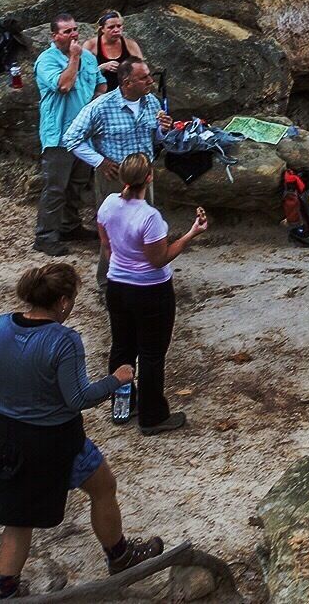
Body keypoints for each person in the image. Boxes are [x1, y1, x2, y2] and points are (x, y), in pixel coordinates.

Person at [0, 262, 164, 598]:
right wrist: (116, 379)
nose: (71, 306)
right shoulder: (64, 340)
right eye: (71, 299)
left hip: (8, 436)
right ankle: (120, 556)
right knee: (104, 487)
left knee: (17, 518)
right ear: (61, 301)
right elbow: (77, 399)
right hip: (59, 440)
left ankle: (8, 589)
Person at [98, 153, 207, 435]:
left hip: (117, 286)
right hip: (151, 291)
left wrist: (122, 267)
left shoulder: (108, 205)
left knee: (122, 346)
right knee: (151, 353)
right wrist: (191, 234)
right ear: (150, 177)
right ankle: (152, 416)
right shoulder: (150, 217)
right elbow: (159, 258)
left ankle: (122, 405)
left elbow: (106, 246)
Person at [62, 60, 168, 291]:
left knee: (145, 226)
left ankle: (144, 273)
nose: (151, 81)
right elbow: (70, 139)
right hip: (115, 176)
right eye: (144, 78)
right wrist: (99, 161)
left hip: (144, 175)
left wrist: (163, 130)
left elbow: (157, 139)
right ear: (127, 83)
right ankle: (108, 282)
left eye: (150, 76)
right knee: (114, 230)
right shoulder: (101, 107)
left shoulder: (152, 102)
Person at [32, 12, 101, 256]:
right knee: (55, 187)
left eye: (74, 30)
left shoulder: (89, 58)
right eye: (67, 31)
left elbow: (100, 84)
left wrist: (96, 108)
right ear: (54, 35)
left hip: (84, 135)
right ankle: (45, 236)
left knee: (77, 184)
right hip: (58, 134)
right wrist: (73, 58)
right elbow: (64, 86)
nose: (73, 34)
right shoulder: (46, 61)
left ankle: (69, 226)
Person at [88, 9, 146, 99]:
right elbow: (82, 74)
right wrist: (102, 67)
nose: (116, 30)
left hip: (125, 94)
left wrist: (125, 68)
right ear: (102, 29)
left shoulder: (130, 45)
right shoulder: (91, 45)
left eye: (119, 26)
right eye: (111, 27)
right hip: (100, 95)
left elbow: (143, 70)